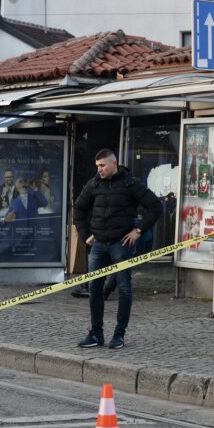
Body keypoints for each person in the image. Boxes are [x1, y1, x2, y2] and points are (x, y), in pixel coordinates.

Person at [73, 149, 162, 349]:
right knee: (94, 288)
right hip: (98, 244)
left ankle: (119, 335)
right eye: (97, 166)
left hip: (121, 244)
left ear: (114, 164)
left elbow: (156, 207)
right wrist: (85, 234)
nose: (99, 170)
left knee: (124, 288)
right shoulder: (94, 184)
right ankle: (96, 334)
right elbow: (78, 208)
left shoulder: (131, 183)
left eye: (103, 166)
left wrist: (138, 231)